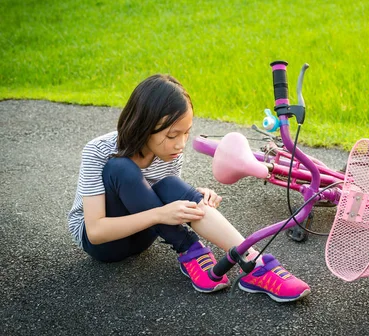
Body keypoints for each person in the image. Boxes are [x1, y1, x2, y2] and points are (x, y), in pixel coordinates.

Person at [67, 74, 310, 303]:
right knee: (120, 168)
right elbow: (96, 231)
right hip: (105, 244)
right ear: (144, 126)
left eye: (186, 133)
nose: (181, 144)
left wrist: (194, 194)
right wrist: (161, 214)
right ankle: (189, 248)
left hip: (144, 233)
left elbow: (163, 195)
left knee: (173, 185)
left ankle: (254, 263)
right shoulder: (98, 150)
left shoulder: (171, 153)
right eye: (172, 135)